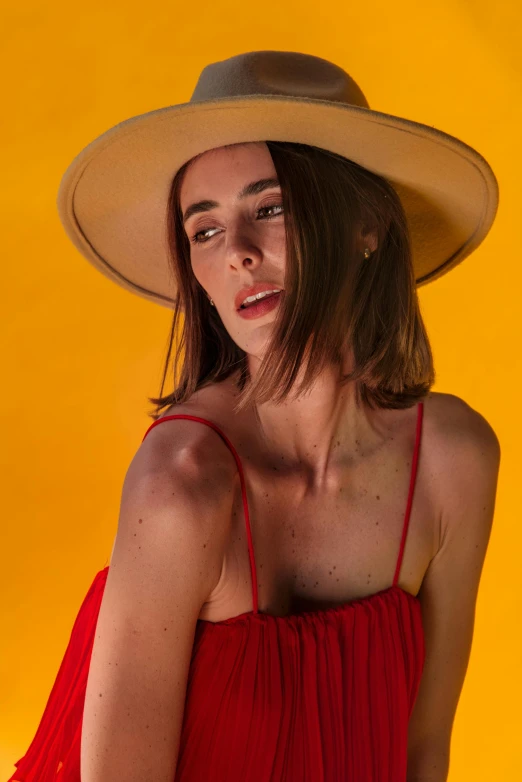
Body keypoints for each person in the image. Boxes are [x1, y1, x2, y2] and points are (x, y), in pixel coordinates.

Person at [8, 51, 501, 782]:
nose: (237, 253)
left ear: (367, 225)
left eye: (269, 208)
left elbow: (424, 751)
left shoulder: (454, 461)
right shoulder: (182, 484)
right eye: (204, 231)